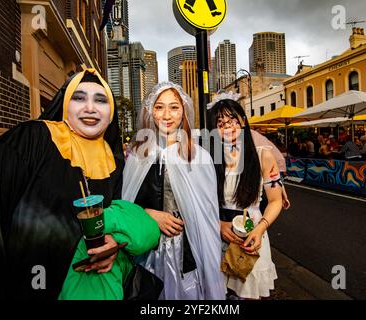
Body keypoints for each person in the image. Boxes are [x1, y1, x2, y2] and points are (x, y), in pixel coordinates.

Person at [0, 68, 159, 300]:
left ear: (110, 114)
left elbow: (117, 218)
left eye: (101, 100)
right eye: (79, 98)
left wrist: (112, 246)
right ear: (65, 105)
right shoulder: (31, 139)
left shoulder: (115, 162)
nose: (90, 108)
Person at [121, 82, 225, 300]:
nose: (166, 115)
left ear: (184, 111)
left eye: (174, 107)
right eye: (159, 107)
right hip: (148, 252)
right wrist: (148, 214)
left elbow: (206, 215)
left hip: (186, 252)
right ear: (150, 111)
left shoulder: (199, 157)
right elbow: (125, 205)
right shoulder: (139, 155)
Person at [207, 96, 283, 300]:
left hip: (251, 236)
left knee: (249, 293)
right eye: (220, 123)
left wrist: (260, 229)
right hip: (217, 238)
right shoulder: (208, 159)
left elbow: (275, 200)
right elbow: (201, 202)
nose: (227, 127)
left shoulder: (263, 156)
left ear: (242, 121)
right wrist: (217, 225)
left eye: (232, 120)